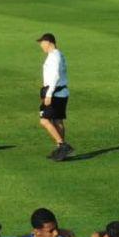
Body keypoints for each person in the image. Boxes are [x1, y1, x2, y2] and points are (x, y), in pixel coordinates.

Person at [37, 32, 72, 160]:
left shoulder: (54, 57)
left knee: (44, 120)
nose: (41, 46)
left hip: (55, 93)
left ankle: (62, 145)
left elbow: (56, 76)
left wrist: (49, 94)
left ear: (49, 42)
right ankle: (61, 150)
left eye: (42, 43)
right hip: (60, 93)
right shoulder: (57, 54)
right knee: (57, 120)